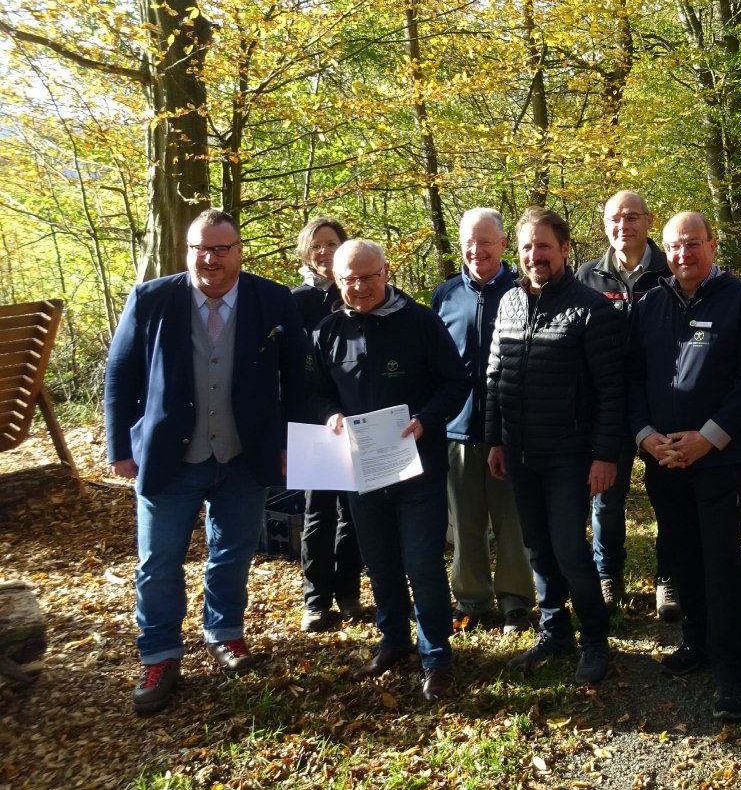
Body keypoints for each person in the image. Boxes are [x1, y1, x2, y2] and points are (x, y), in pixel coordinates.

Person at [105, 209, 307, 716]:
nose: (209, 259)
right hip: (171, 457)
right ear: (187, 250)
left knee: (232, 551)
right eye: (200, 248)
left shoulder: (273, 299)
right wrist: (121, 448)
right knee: (159, 561)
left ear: (240, 252)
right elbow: (121, 372)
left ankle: (224, 633)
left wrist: (292, 443)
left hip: (245, 453)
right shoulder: (151, 298)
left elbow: (299, 379)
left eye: (221, 248)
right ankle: (159, 655)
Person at [305, 239, 470, 700]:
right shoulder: (327, 331)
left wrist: (426, 421)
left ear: (386, 271)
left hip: (418, 468)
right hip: (359, 472)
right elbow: (312, 391)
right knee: (380, 563)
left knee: (422, 565)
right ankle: (393, 640)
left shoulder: (420, 322)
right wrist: (329, 416)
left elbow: (456, 382)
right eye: (348, 279)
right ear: (335, 280)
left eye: (368, 276)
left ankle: (436, 656)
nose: (359, 287)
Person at [629, 212, 741, 722]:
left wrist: (708, 438)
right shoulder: (649, 305)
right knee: (681, 554)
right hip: (663, 458)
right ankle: (697, 644)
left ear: (712, 244)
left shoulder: (740, 301)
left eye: (692, 244)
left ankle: (734, 671)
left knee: (721, 562)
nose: (683, 254)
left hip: (717, 460)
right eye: (673, 246)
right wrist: (646, 437)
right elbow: (633, 379)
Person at [485, 207, 624, 686]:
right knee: (537, 547)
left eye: (543, 245)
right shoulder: (509, 302)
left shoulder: (591, 307)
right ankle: (554, 631)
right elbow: (494, 376)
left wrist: (605, 455)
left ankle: (595, 640)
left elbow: (612, 389)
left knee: (568, 548)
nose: (534, 255)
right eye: (526, 246)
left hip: (569, 452)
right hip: (519, 449)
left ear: (564, 249)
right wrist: (495, 440)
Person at [575, 189, 679, 619]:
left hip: (663, 405)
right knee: (607, 498)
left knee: (668, 498)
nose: (624, 225)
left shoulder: (670, 268)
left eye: (633, 217)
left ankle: (669, 579)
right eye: (615, 218)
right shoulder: (587, 276)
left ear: (649, 221)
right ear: (604, 225)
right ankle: (608, 575)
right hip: (607, 409)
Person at [432, 208, 535, 634]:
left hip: (512, 429)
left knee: (512, 521)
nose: (476, 250)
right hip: (457, 428)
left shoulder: (524, 290)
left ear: (503, 244)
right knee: (466, 521)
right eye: (469, 242)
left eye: (486, 241)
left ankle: (516, 599)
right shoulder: (445, 294)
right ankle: (472, 599)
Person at [291, 217, 365, 632]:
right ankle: (316, 598)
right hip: (313, 421)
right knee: (318, 511)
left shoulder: (357, 290)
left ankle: (349, 591)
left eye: (332, 243)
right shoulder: (296, 300)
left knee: (352, 511)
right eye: (316, 245)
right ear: (306, 251)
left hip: (357, 418)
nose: (324, 251)